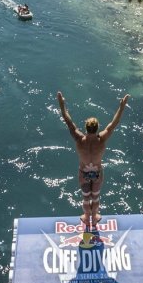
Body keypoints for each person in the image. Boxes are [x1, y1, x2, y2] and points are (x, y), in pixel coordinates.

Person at [57, 91, 129, 227]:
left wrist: (62, 104)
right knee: (95, 198)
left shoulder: (79, 138)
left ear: (86, 127)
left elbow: (67, 120)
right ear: (97, 128)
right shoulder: (102, 139)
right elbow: (114, 123)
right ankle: (94, 218)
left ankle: (86, 217)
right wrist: (122, 106)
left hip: (84, 173)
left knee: (86, 199)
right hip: (97, 174)